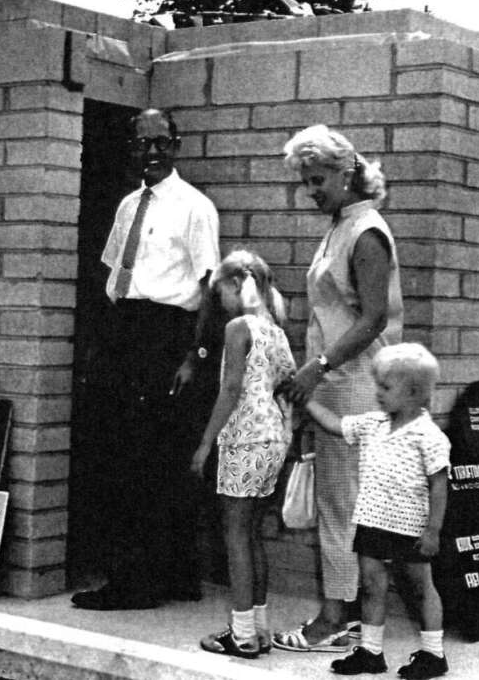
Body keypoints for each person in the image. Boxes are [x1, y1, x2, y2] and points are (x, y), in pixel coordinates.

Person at [71, 108, 220, 610]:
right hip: (126, 332)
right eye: (142, 144)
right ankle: (168, 576)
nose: (151, 153)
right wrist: (105, 340)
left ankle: (137, 584)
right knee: (122, 452)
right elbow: (113, 274)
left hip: (167, 336)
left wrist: (193, 357)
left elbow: (209, 288)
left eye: (161, 143)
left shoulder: (195, 207)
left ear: (176, 145)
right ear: (132, 149)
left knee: (149, 460)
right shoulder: (128, 205)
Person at [274, 124, 404, 652]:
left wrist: (317, 367)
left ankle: (336, 619)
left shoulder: (366, 230)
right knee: (338, 503)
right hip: (333, 383)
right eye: (306, 181)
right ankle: (344, 613)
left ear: (348, 172)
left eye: (319, 179)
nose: (311, 190)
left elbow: (372, 318)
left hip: (354, 384)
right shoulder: (340, 225)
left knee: (343, 505)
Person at [300, 343, 450, 679]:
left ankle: (433, 653)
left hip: (410, 525)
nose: (377, 393)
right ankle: (370, 651)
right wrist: (307, 402)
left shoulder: (429, 436)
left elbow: (440, 485)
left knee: (420, 587)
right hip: (371, 520)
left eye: (385, 387)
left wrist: (433, 531)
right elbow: (335, 425)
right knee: (371, 584)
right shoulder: (372, 424)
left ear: (413, 392)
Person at [190, 250, 296, 658]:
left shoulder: (239, 328)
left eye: (222, 294)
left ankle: (243, 634)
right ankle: (261, 627)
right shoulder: (277, 332)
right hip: (271, 438)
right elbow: (286, 385)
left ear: (236, 285)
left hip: (243, 438)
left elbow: (230, 389)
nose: (221, 304)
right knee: (252, 534)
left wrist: (205, 443)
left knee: (233, 534)